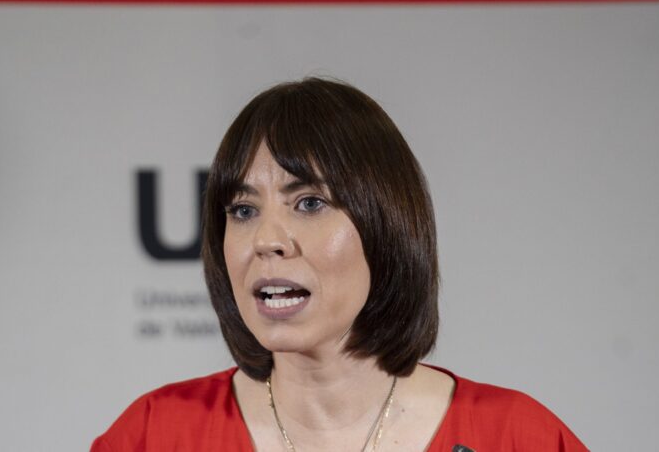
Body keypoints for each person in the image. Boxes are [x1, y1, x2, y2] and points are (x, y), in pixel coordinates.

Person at [92, 78, 587, 451]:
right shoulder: (155, 434)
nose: (266, 240)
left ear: (385, 224)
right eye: (243, 210)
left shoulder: (517, 437)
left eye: (309, 203)